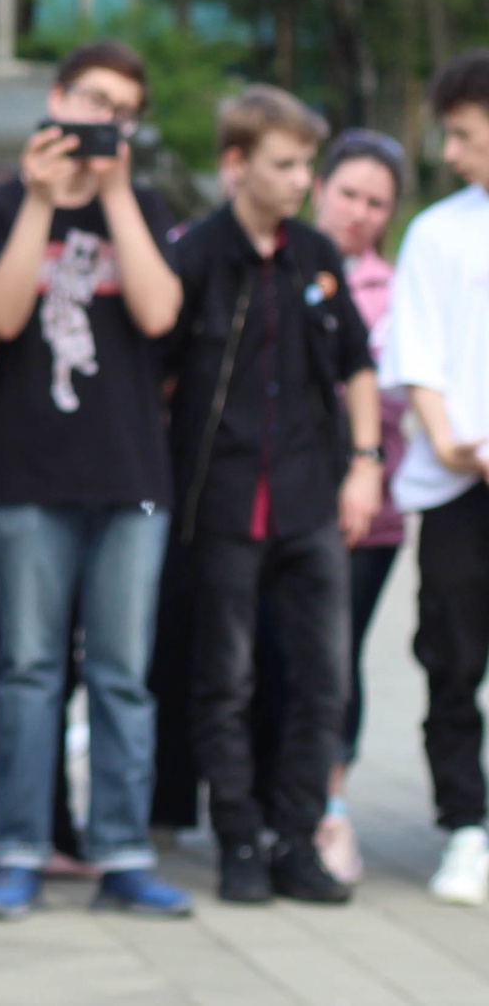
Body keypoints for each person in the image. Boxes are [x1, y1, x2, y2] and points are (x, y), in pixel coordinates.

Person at [0, 43, 193, 921]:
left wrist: (118, 193)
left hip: (131, 476)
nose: (104, 118)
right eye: (93, 99)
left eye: (122, 108)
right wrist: (44, 202)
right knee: (28, 670)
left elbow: (163, 312)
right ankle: (20, 846)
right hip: (28, 475)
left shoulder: (149, 205)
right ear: (55, 100)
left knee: (125, 674)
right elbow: (7, 312)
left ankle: (123, 849)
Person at [163, 85, 381, 907]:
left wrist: (365, 463)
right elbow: (164, 376)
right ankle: (238, 837)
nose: (300, 180)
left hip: (309, 497)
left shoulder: (316, 255)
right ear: (236, 164)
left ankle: (298, 836)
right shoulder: (195, 256)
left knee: (325, 676)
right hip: (221, 501)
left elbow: (357, 364)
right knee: (226, 678)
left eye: (306, 164)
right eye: (284, 164)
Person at [385, 51, 489, 907]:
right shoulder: (438, 231)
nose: (452, 151)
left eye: (463, 132)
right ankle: (466, 823)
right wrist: (458, 443)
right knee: (451, 656)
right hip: (460, 487)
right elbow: (414, 349)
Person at [305, 128, 411, 885]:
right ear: (319, 188)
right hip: (278, 502)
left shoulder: (398, 290)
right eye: (348, 193)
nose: (359, 212)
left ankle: (330, 805)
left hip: (369, 513)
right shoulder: (285, 267)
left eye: (377, 203)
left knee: (337, 659)